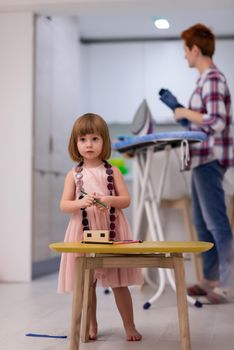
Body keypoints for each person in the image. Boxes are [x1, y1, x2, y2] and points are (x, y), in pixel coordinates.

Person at [58, 113, 143, 340]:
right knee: (87, 283)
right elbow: (65, 205)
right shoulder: (73, 175)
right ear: (75, 143)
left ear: (104, 142)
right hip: (83, 232)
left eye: (95, 139)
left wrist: (109, 200)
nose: (89, 145)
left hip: (111, 230)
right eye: (83, 139)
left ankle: (129, 325)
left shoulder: (112, 171)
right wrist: (80, 202)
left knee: (119, 282)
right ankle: (91, 324)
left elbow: (125, 200)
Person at [174, 23, 234, 303]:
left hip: (210, 159)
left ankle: (227, 282)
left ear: (195, 50)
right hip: (201, 159)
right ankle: (210, 279)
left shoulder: (212, 79)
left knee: (216, 222)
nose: (184, 56)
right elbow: (206, 120)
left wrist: (185, 111)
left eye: (185, 50)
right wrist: (184, 116)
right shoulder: (204, 81)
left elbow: (218, 121)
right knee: (202, 223)